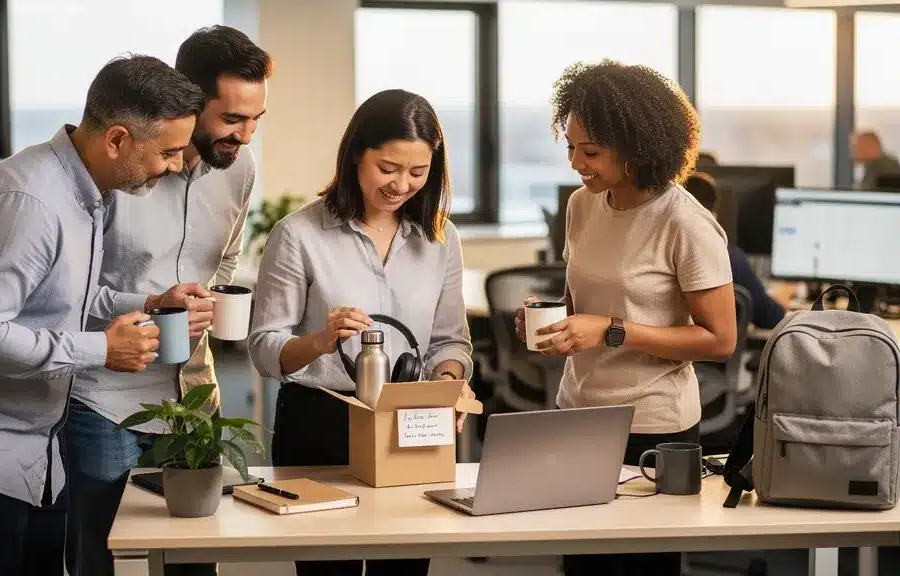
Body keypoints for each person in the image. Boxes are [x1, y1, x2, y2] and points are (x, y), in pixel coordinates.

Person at [0, 54, 207, 576]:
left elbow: (62, 301)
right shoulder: (26, 200)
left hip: (32, 450)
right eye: (167, 153)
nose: (173, 167)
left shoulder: (84, 195)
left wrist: (147, 304)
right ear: (118, 139)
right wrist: (103, 349)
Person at [64, 25, 274, 576]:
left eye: (256, 119)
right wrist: (151, 302)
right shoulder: (115, 167)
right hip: (104, 397)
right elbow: (68, 292)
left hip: (193, 395)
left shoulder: (241, 169)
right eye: (231, 119)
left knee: (198, 553)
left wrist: (204, 300)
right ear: (190, 99)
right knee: (103, 555)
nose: (246, 136)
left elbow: (224, 257)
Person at [514, 60, 737, 576]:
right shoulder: (582, 206)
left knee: (639, 567)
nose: (575, 162)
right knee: (582, 563)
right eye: (569, 146)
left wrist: (613, 330)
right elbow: (582, 301)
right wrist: (553, 321)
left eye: (589, 151)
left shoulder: (685, 223)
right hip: (578, 410)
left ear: (637, 147)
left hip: (653, 424)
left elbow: (720, 339)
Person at [248, 88, 475, 576]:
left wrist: (450, 382)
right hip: (320, 421)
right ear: (356, 154)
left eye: (418, 172)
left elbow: (449, 341)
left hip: (410, 420)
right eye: (388, 169)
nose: (401, 185)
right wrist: (322, 340)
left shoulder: (440, 238)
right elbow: (265, 349)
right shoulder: (299, 234)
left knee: (406, 567)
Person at [684, 172, 788, 329]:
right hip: (715, 351)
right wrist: (786, 293)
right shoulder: (729, 258)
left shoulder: (659, 255)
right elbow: (771, 318)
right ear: (712, 215)